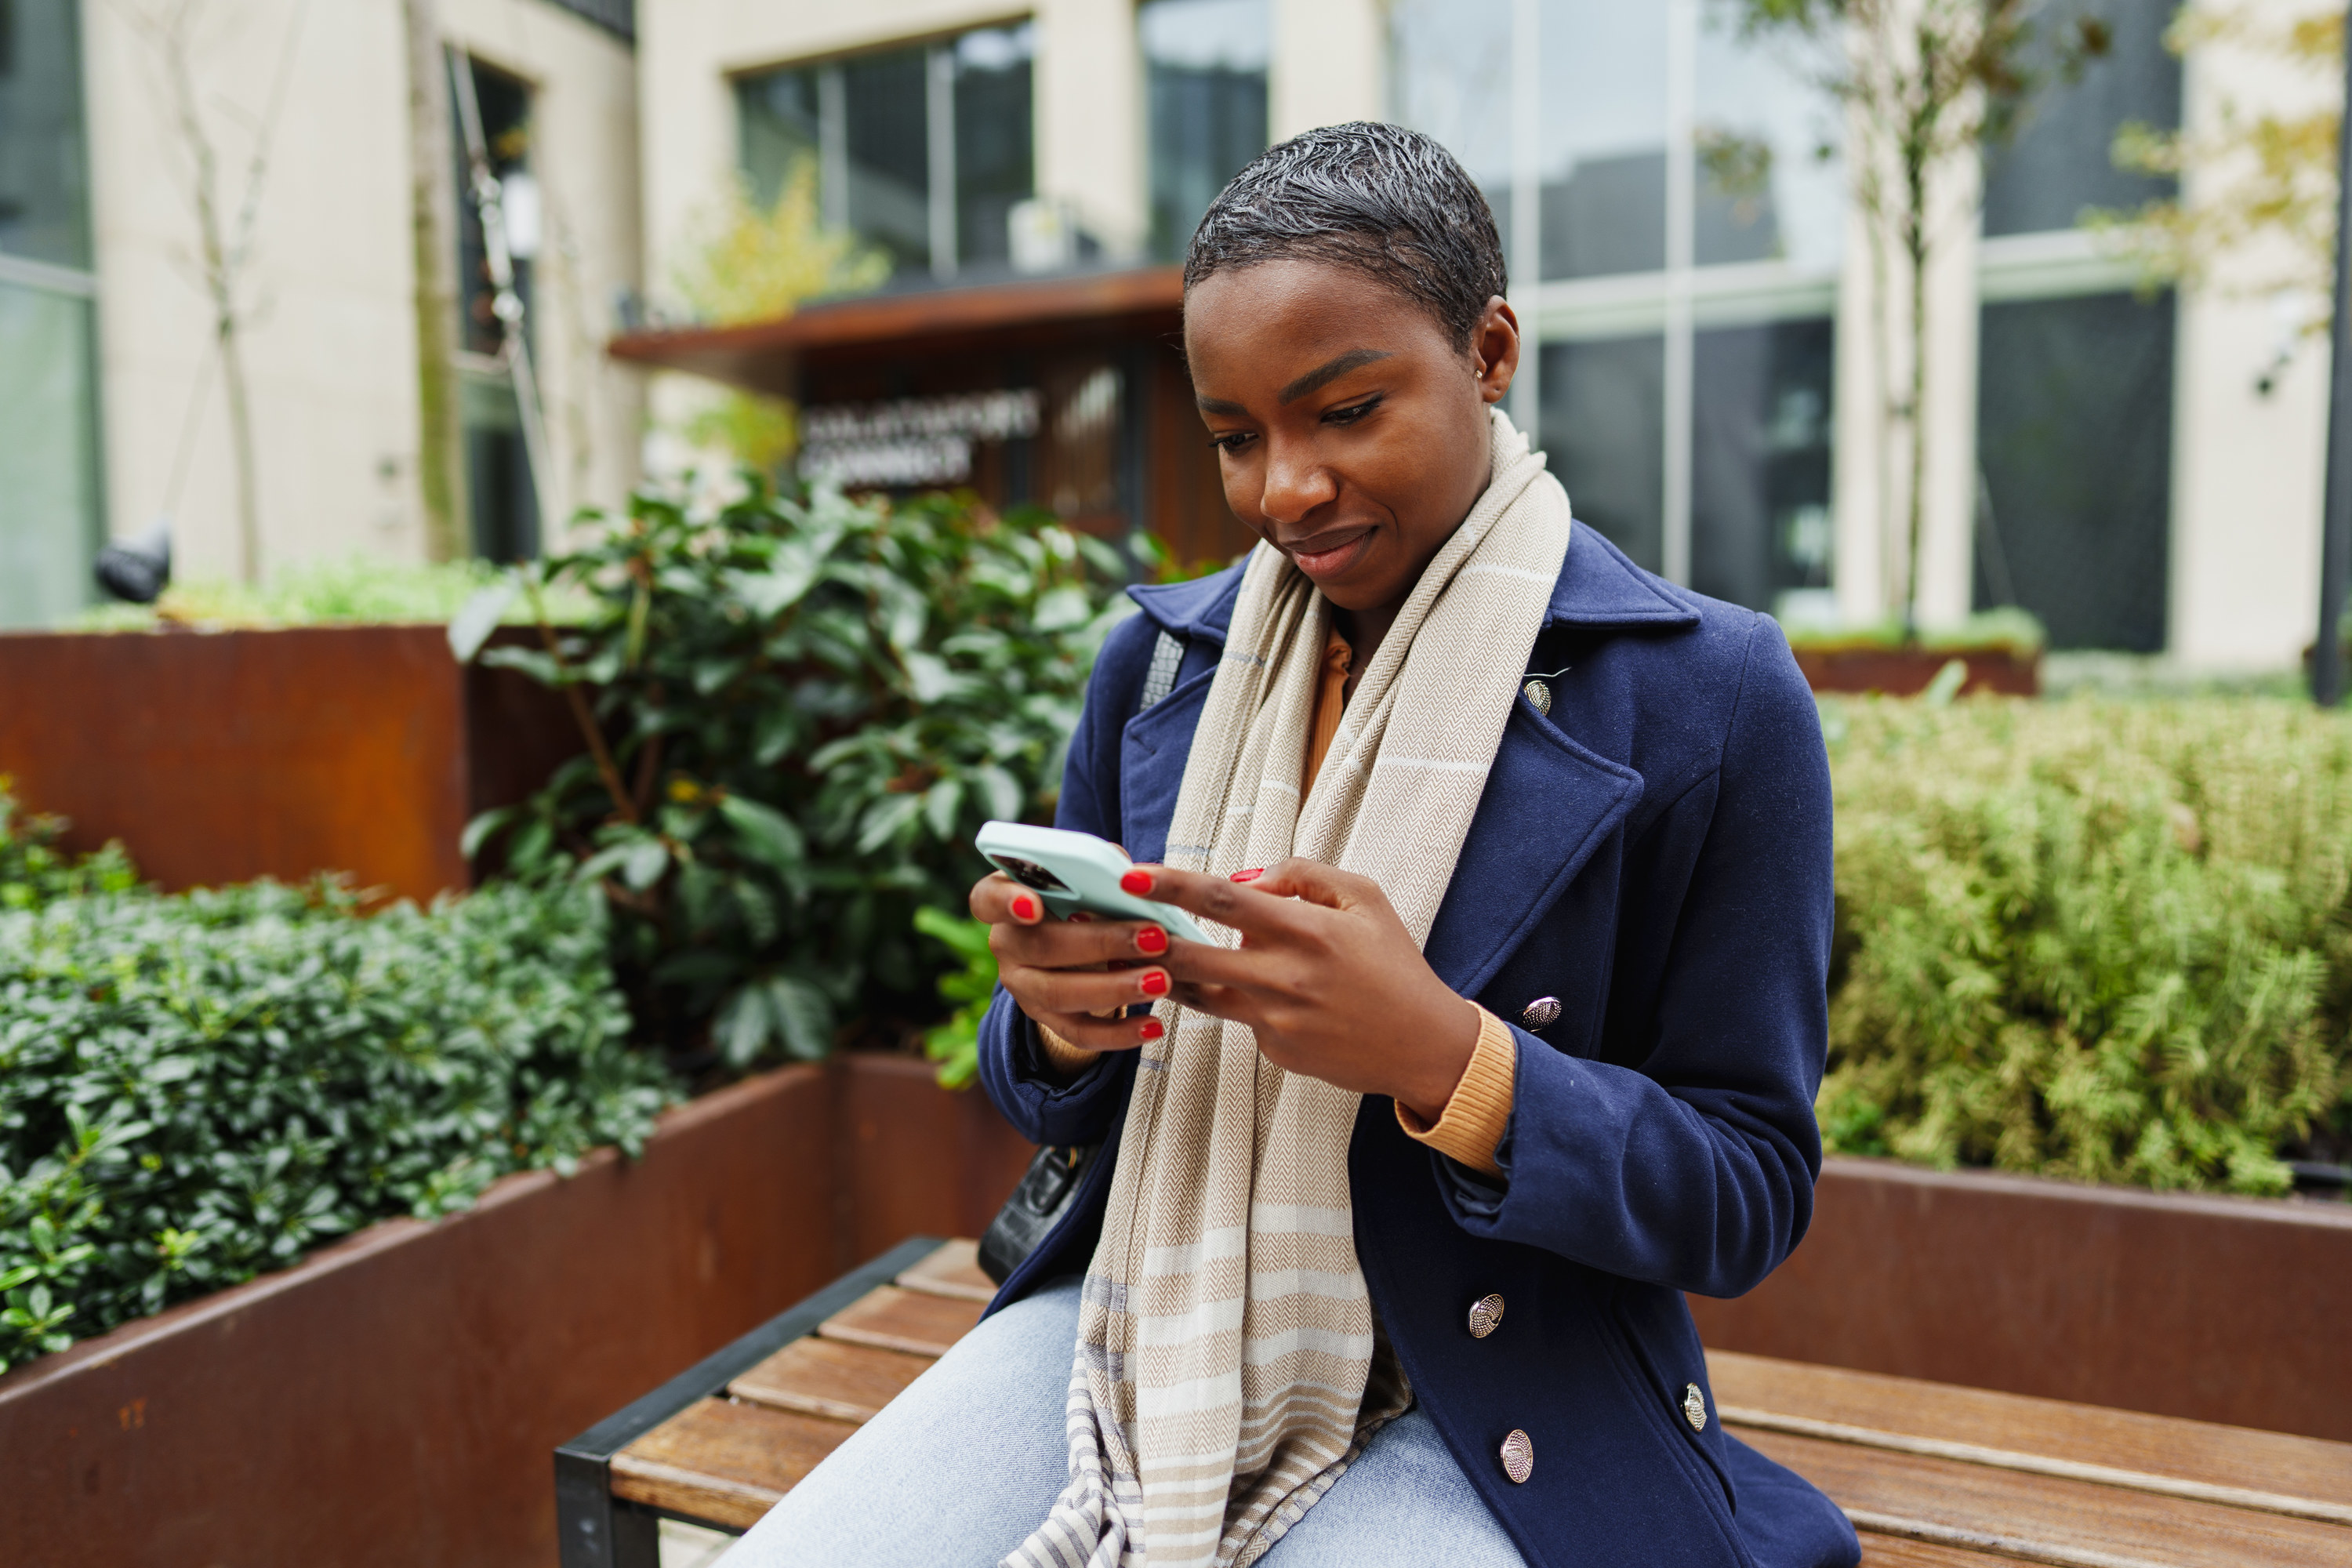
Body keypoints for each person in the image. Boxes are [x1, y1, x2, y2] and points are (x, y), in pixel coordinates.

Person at [728, 122, 1857, 1568]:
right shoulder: (1159, 662)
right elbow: (1054, 1103)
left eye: (1344, 410)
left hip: (1502, 1384)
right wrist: (1066, 1025)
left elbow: (1750, 1188)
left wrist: (1453, 1064)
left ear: (1491, 349)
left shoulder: (1708, 695)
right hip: (1148, 1327)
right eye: (1236, 435)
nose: (1284, 490)